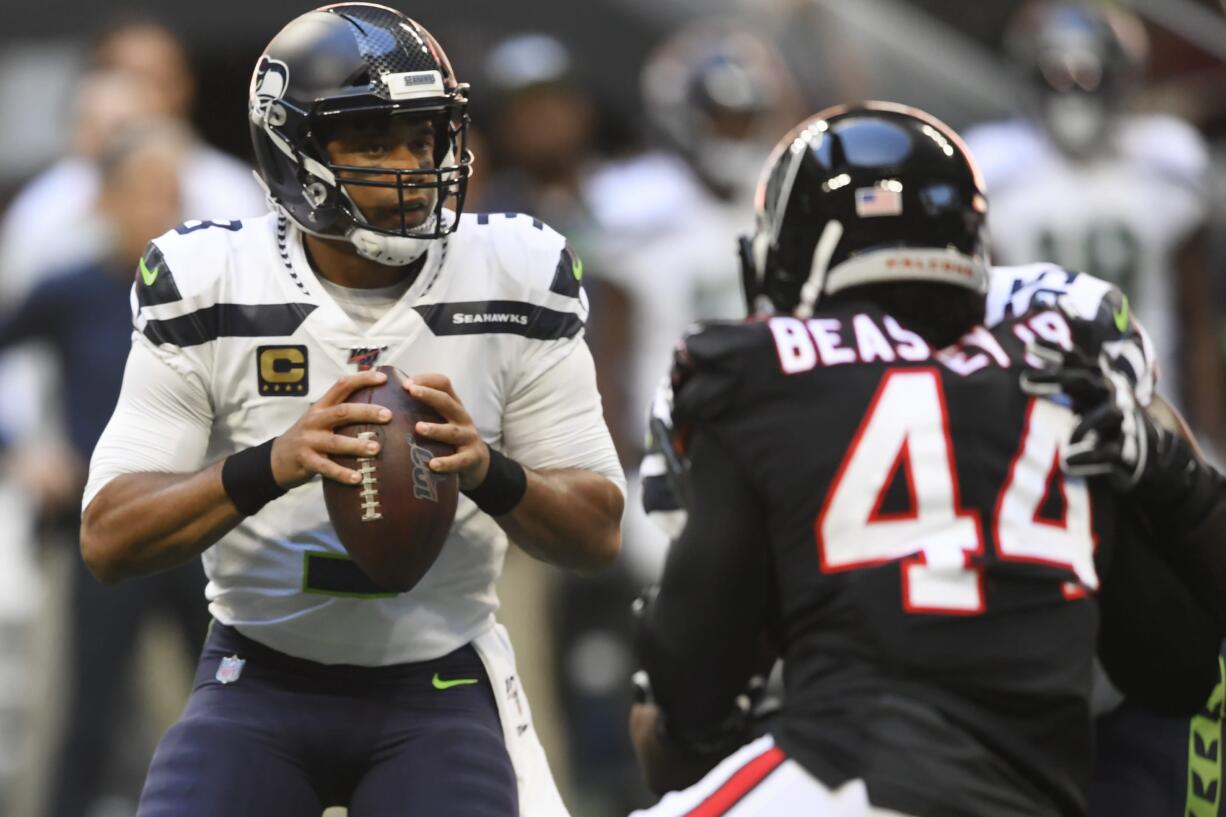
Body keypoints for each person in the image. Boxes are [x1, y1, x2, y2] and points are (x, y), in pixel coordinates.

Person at [79, 5, 624, 817]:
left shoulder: (514, 270)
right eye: (373, 141)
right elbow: (109, 536)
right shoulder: (212, 276)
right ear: (294, 150)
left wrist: (490, 472)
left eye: (425, 136)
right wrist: (267, 465)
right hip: (258, 674)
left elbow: (597, 534)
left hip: (440, 676)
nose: (412, 166)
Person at [627, 102, 1223, 817]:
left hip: (886, 760)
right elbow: (1183, 657)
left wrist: (673, 682)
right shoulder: (1055, 361)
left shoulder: (760, 373)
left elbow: (687, 708)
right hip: (1040, 766)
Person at [0, 121, 211, 817]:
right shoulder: (69, 290)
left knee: (226, 703)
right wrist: (20, 448)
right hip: (110, 529)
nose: (160, 207)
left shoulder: (205, 295)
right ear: (109, 199)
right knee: (85, 712)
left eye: (172, 191)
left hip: (198, 524)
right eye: (146, 191)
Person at [963, 1, 1226, 455]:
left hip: (1154, 408)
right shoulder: (996, 167)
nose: (1074, 94)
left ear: (1120, 78)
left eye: (1089, 77)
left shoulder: (1166, 162)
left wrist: (1214, 441)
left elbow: (1197, 324)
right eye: (1059, 77)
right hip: (1033, 414)